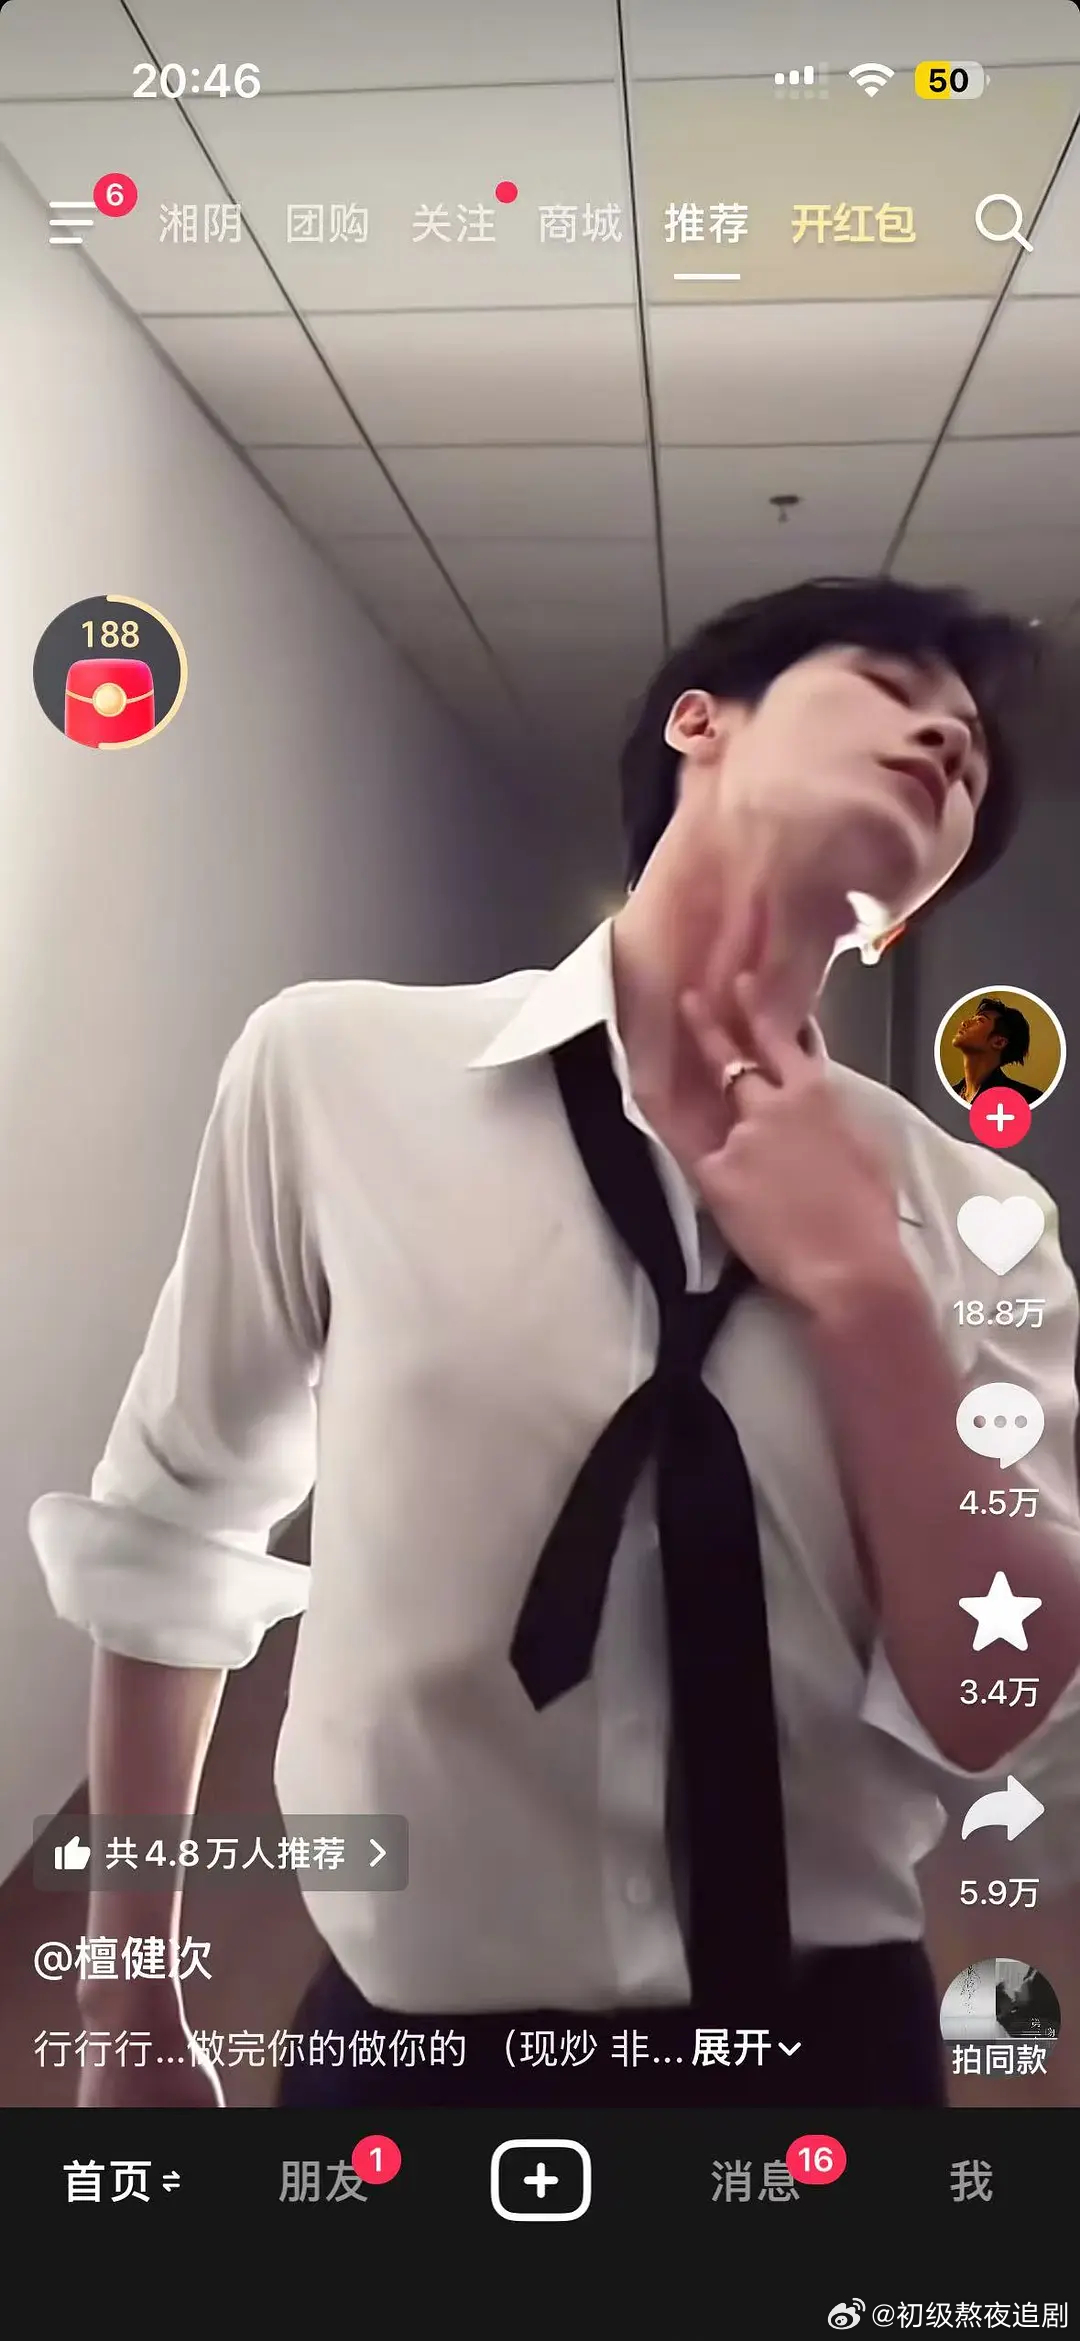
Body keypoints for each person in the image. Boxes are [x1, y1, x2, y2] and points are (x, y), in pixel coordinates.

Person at [29, 575, 1080, 2115]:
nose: (945, 737)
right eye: (888, 683)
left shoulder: (978, 1216)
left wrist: (869, 1300)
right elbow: (172, 1535)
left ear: (911, 908)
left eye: (973, 753)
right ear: (699, 722)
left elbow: (998, 1693)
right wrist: (125, 2005)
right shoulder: (334, 1070)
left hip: (825, 2057)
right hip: (415, 2052)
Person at [951, 996, 1043, 1104]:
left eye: (980, 1020)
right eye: (972, 1018)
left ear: (999, 1042)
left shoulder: (1026, 1100)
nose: (964, 1023)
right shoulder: (947, 1095)